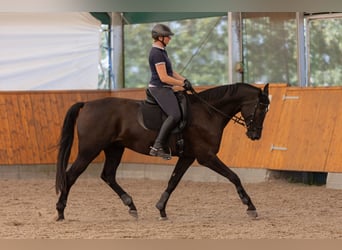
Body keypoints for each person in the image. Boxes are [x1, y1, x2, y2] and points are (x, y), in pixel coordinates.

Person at [148, 23, 192, 160]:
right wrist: (181, 83)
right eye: (168, 37)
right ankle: (157, 146)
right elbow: (164, 77)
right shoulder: (156, 53)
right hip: (159, 88)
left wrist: (185, 80)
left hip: (165, 87)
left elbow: (171, 72)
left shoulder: (162, 51)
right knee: (174, 114)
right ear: (160, 37)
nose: (169, 39)